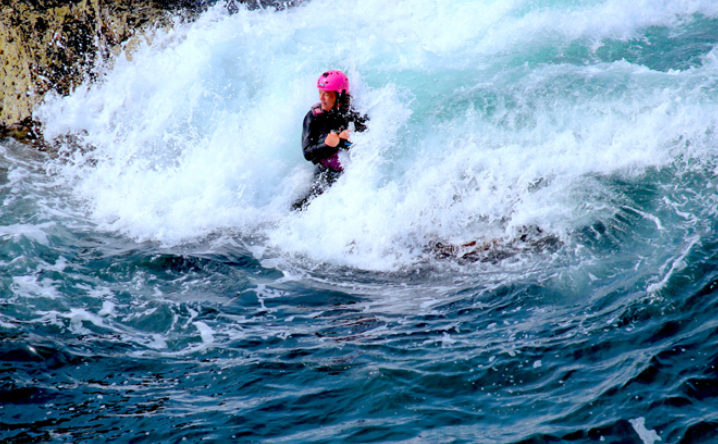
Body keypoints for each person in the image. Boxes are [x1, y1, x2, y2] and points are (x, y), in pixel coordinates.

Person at [292, 70, 368, 210]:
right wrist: (329, 144)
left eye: (327, 94)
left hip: (345, 172)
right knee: (302, 207)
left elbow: (367, 137)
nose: (322, 98)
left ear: (339, 97)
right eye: (320, 93)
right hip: (324, 173)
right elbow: (308, 153)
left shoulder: (348, 112)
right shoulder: (313, 117)